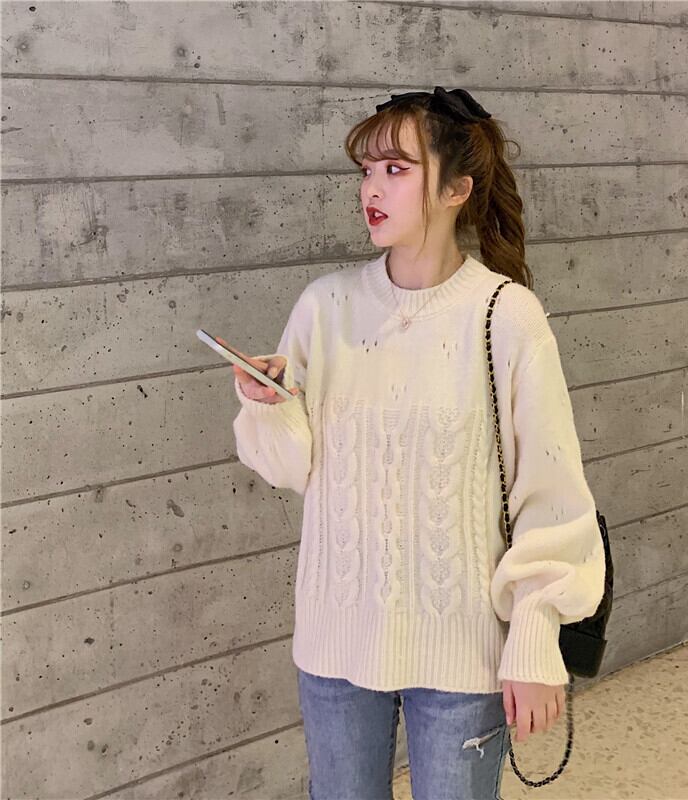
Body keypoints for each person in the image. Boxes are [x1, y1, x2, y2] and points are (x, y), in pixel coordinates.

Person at [228, 87, 606, 800]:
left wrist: (533, 637)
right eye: (367, 171)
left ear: (457, 189)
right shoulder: (325, 306)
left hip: (463, 653)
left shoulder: (506, 316)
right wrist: (269, 407)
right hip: (336, 645)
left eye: (396, 170)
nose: (371, 189)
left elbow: (552, 496)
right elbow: (292, 468)